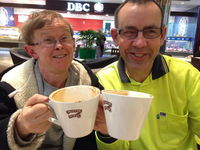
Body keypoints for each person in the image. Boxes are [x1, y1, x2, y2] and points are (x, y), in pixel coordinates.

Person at [95, 0, 200, 149]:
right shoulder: (103, 82)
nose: (140, 43)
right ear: (115, 36)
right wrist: (107, 133)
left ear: (162, 35)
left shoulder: (187, 76)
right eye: (129, 32)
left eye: (150, 31)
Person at [0, 10, 101, 150]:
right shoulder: (9, 86)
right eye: (48, 40)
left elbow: (93, 137)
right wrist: (21, 127)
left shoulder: (88, 80)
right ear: (32, 51)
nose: (59, 46)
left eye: (64, 38)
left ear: (73, 43)